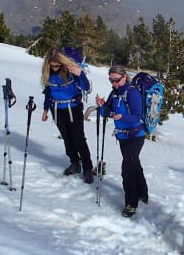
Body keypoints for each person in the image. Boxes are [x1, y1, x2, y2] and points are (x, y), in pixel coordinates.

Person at [95, 65, 148, 218]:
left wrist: (122, 117)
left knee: (127, 170)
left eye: (116, 80)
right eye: (111, 81)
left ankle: (131, 203)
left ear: (124, 77)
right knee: (134, 163)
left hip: (135, 135)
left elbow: (137, 115)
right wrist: (102, 106)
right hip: (122, 136)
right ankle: (143, 193)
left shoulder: (132, 93)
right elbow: (107, 111)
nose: (114, 84)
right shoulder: (115, 93)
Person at [41, 48, 94, 184]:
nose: (54, 68)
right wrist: (46, 109)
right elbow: (48, 92)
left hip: (73, 108)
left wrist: (80, 74)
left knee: (78, 138)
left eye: (57, 65)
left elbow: (86, 87)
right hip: (57, 108)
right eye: (52, 65)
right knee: (66, 138)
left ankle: (87, 168)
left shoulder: (70, 70)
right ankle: (75, 163)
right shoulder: (48, 73)